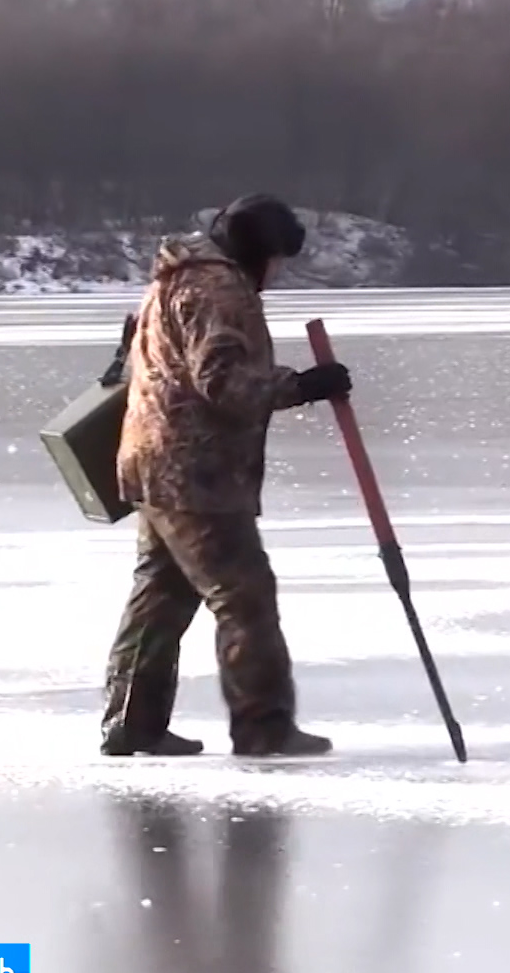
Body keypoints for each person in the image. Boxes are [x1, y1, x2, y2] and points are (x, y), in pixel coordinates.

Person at [99, 194, 352, 757]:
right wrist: (304, 386)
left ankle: (132, 721)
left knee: (161, 593)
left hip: (153, 459)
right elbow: (224, 381)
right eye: (278, 261)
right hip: (197, 470)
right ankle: (262, 725)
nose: (277, 274)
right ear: (257, 250)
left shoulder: (173, 278)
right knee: (244, 595)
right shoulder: (218, 291)